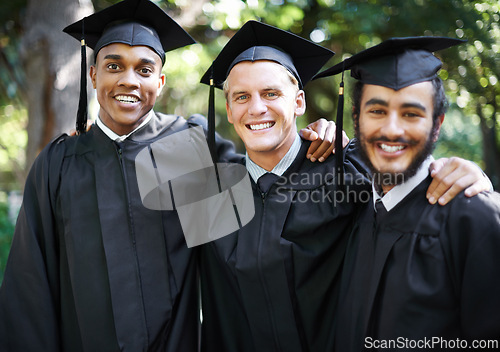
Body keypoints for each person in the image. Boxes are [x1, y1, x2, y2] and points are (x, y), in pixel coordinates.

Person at [198, 22, 491, 352]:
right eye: (241, 97)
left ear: (298, 102)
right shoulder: (209, 192)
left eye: (271, 93)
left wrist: (474, 184)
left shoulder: (346, 173)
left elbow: (402, 181)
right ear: (228, 109)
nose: (256, 108)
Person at [0, 0, 234, 350]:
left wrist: (325, 145)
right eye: (114, 66)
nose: (128, 80)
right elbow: (30, 283)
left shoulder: (191, 148)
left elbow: (263, 201)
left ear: (161, 81)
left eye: (144, 70)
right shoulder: (60, 164)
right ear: (93, 75)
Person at [314, 37, 500, 351]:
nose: (392, 130)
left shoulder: (473, 218)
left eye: (412, 114)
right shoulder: (354, 207)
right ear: (357, 121)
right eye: (377, 111)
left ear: (436, 125)